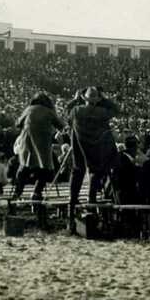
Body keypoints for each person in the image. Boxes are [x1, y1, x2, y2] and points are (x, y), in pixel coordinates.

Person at [66, 87, 120, 222]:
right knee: (95, 171)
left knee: (77, 170)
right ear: (97, 100)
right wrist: (104, 98)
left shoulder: (76, 110)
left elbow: (67, 111)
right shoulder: (102, 112)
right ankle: (92, 198)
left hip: (80, 146)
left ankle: (72, 201)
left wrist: (75, 99)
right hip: (96, 147)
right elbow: (115, 110)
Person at [12, 92, 65, 200]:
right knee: (44, 169)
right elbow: (61, 125)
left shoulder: (28, 109)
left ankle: (17, 192)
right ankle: (37, 192)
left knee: (24, 167)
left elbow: (18, 124)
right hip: (42, 144)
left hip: (27, 143)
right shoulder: (49, 111)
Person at [114, 135, 141, 205]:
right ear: (134, 147)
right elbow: (130, 175)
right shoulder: (123, 159)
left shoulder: (121, 156)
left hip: (123, 192)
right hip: (126, 193)